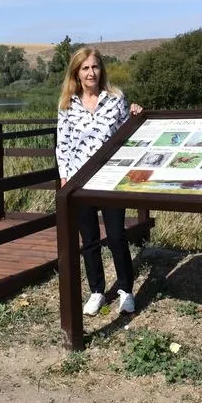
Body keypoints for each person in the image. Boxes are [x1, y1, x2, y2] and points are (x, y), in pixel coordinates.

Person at [55, 47, 143, 316]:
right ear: (76, 73)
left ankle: (126, 291)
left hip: (110, 179)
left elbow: (127, 133)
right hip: (80, 182)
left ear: (101, 70)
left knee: (117, 236)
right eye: (85, 68)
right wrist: (64, 180)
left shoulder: (115, 99)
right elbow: (63, 145)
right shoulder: (68, 105)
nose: (90, 72)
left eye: (94, 67)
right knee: (90, 239)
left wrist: (136, 113)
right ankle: (96, 291)